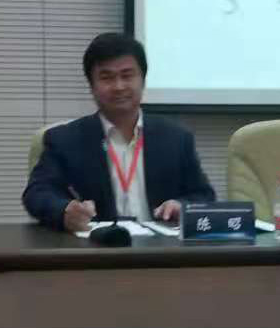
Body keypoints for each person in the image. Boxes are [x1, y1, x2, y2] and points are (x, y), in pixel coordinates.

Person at [22, 32, 216, 232]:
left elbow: (204, 196)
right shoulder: (64, 140)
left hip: (160, 245)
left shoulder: (176, 138)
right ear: (92, 85)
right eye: (106, 77)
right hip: (97, 245)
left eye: (127, 75)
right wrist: (65, 210)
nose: (118, 86)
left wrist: (181, 206)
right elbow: (37, 193)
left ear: (143, 80)